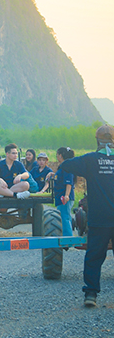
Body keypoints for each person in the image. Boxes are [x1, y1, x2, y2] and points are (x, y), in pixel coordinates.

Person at [59, 124, 114, 308]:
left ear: (97, 140)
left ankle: (91, 295)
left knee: (94, 256)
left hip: (99, 220)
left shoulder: (90, 160)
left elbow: (66, 165)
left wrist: (69, 155)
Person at [38, 147, 75, 237]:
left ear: (60, 156)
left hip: (64, 197)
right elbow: (60, 177)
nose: (57, 157)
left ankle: (67, 239)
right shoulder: (62, 167)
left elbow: (69, 183)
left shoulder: (67, 167)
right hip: (60, 196)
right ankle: (66, 237)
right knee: (64, 216)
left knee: (64, 217)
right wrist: (52, 174)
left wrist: (66, 195)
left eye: (57, 155)